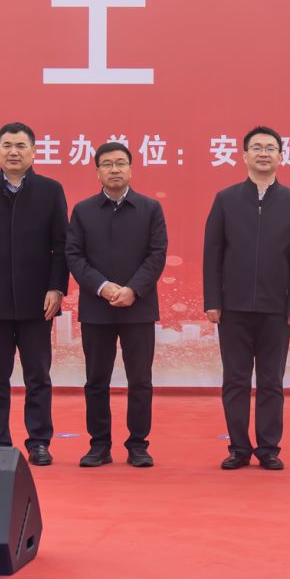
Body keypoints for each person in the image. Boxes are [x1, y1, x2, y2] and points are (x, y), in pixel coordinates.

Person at [0, 123, 69, 466]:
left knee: (38, 376)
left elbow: (61, 246)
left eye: (21, 145)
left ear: (34, 152)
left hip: (38, 303)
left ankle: (39, 441)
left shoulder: (50, 191)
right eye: (7, 145)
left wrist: (57, 288)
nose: (13, 151)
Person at [203, 126, 290, 470]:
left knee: (271, 382)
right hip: (232, 308)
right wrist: (212, 300)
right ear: (244, 155)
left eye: (270, 148)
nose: (264, 153)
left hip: (276, 309)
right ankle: (238, 448)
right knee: (235, 380)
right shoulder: (226, 199)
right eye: (257, 147)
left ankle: (268, 448)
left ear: (281, 156)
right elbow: (213, 253)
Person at [66, 142, 169, 468]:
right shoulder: (83, 210)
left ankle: (138, 444)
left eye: (121, 163)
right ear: (97, 171)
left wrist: (133, 289)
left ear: (131, 169)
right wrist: (102, 286)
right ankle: (99, 445)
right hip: (97, 308)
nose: (114, 169)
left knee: (140, 380)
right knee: (96, 380)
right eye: (107, 164)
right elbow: (74, 255)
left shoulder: (150, 208)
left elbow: (157, 254)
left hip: (138, 307)